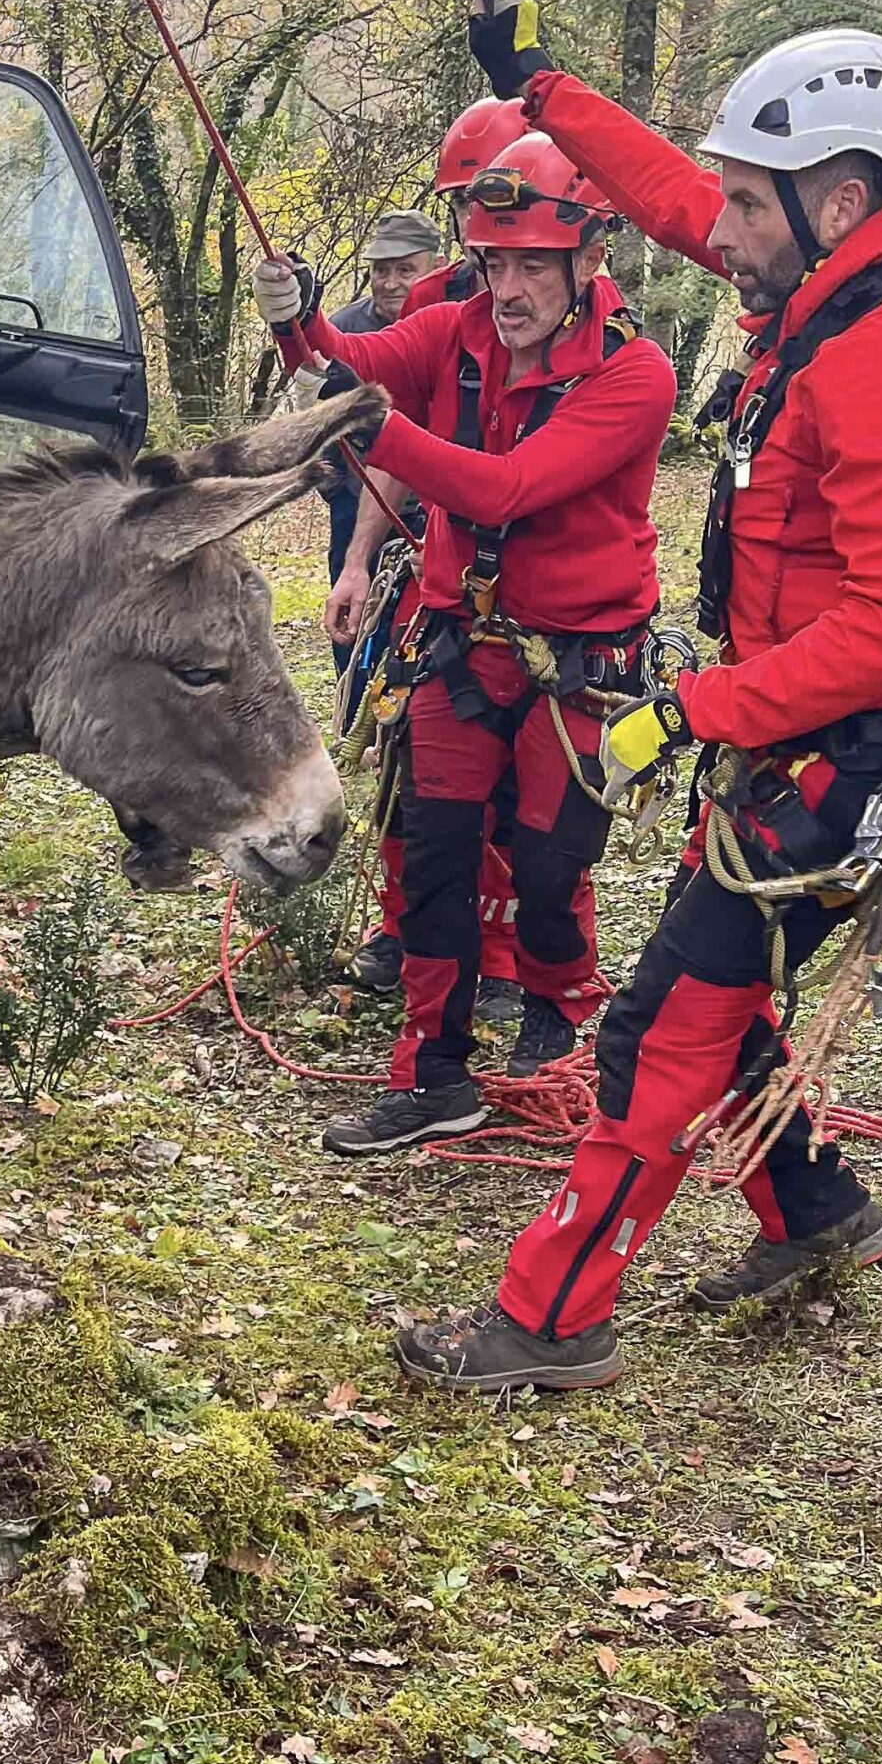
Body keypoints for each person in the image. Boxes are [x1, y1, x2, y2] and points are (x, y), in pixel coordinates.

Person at [388, 0, 882, 1391]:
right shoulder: (813, 284)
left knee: (657, 1038)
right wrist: (540, 86)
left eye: (748, 208)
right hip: (788, 749)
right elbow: (674, 192)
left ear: (842, 195)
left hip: (832, 764)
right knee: (726, 1002)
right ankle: (822, 1215)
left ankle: (548, 1316)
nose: (717, 231)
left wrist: (707, 709)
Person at [258, 131, 676, 1156]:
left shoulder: (634, 377)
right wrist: (299, 319)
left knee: (544, 866)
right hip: (461, 643)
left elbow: (508, 489)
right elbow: (348, 360)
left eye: (533, 263)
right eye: (493, 261)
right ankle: (433, 1075)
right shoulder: (457, 333)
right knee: (433, 863)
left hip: (581, 662)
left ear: (588, 261)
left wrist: (366, 423)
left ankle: (555, 1013)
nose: (509, 286)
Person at [341, 103, 531, 1015]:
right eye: (459, 203)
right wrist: (356, 560)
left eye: (483, 198)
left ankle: (507, 953)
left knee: (520, 781)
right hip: (430, 567)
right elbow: (391, 435)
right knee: (409, 752)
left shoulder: (580, 316)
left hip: (531, 583)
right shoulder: (433, 305)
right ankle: (407, 924)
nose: (472, 226)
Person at [319, 210, 444, 714]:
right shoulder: (345, 331)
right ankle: (353, 714)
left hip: (438, 507)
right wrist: (338, 491)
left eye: (405, 269)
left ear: (434, 265)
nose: (390, 282)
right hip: (358, 501)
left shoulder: (459, 322)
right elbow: (321, 419)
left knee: (420, 619)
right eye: (380, 269)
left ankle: (406, 716)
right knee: (351, 605)